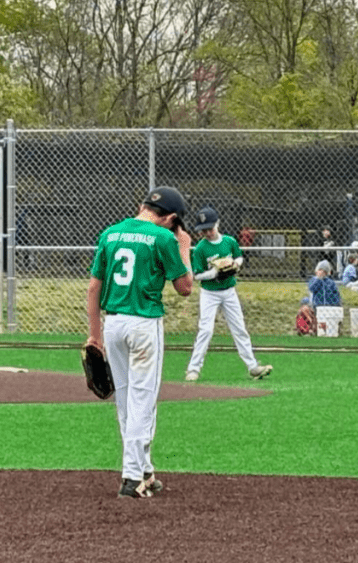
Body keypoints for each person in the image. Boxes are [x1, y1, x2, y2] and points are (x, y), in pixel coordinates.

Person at [85, 186, 193, 499]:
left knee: (125, 398)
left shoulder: (110, 233)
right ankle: (131, 478)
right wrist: (184, 247)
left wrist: (95, 335)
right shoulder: (164, 238)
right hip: (144, 324)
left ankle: (144, 469)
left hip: (114, 323)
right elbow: (185, 287)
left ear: (142, 205)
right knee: (143, 401)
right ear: (171, 218)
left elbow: (93, 289)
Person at [185, 207, 272, 383]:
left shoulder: (229, 241)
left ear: (218, 224)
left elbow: (239, 257)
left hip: (229, 291)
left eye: (210, 228)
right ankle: (193, 368)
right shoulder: (201, 248)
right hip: (209, 292)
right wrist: (214, 272)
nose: (207, 233)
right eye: (203, 230)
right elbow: (196, 275)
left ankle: (253, 366)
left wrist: (234, 264)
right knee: (206, 329)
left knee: (239, 328)